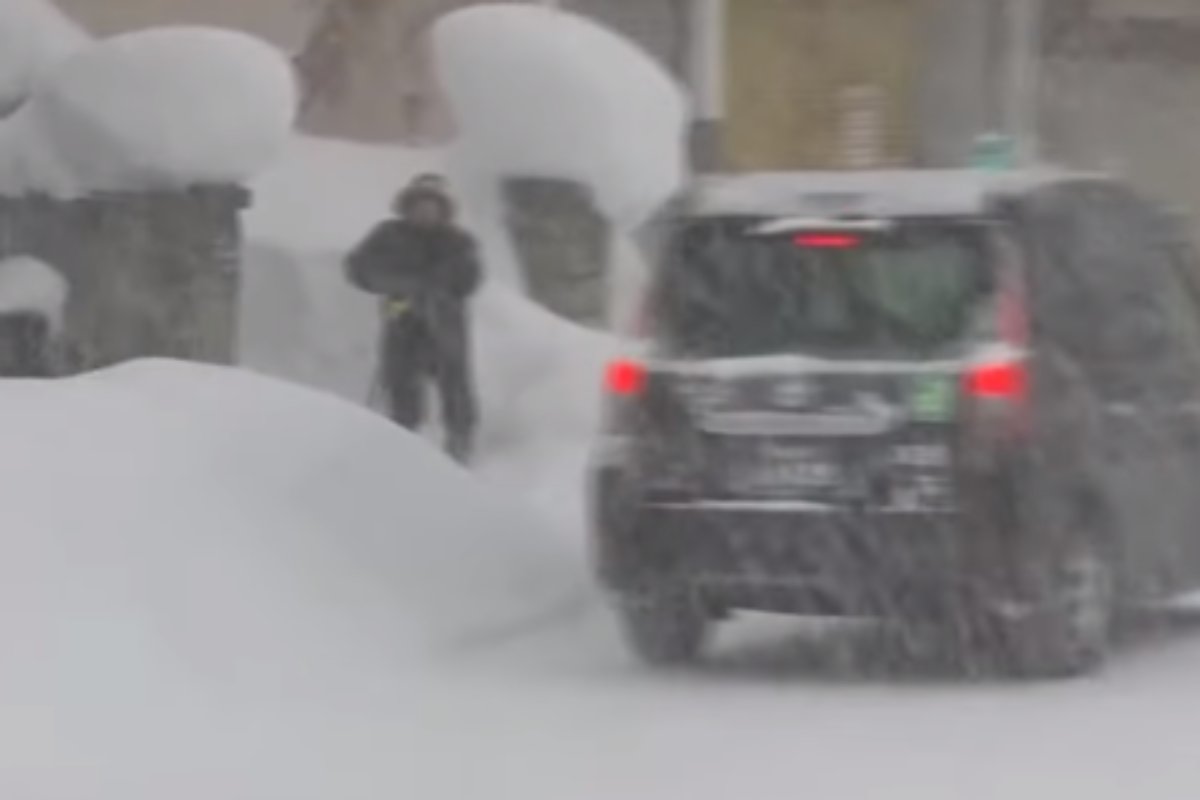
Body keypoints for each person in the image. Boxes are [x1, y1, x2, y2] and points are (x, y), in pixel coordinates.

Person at [345, 174, 481, 463]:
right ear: (407, 207)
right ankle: (403, 446)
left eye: (433, 206)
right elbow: (358, 269)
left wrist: (437, 288)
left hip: (444, 324)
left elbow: (469, 280)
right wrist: (399, 284)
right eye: (419, 205)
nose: (425, 212)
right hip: (401, 321)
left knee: (455, 386)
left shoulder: (458, 242)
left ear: (444, 210)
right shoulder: (388, 235)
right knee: (400, 384)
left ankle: (459, 443)